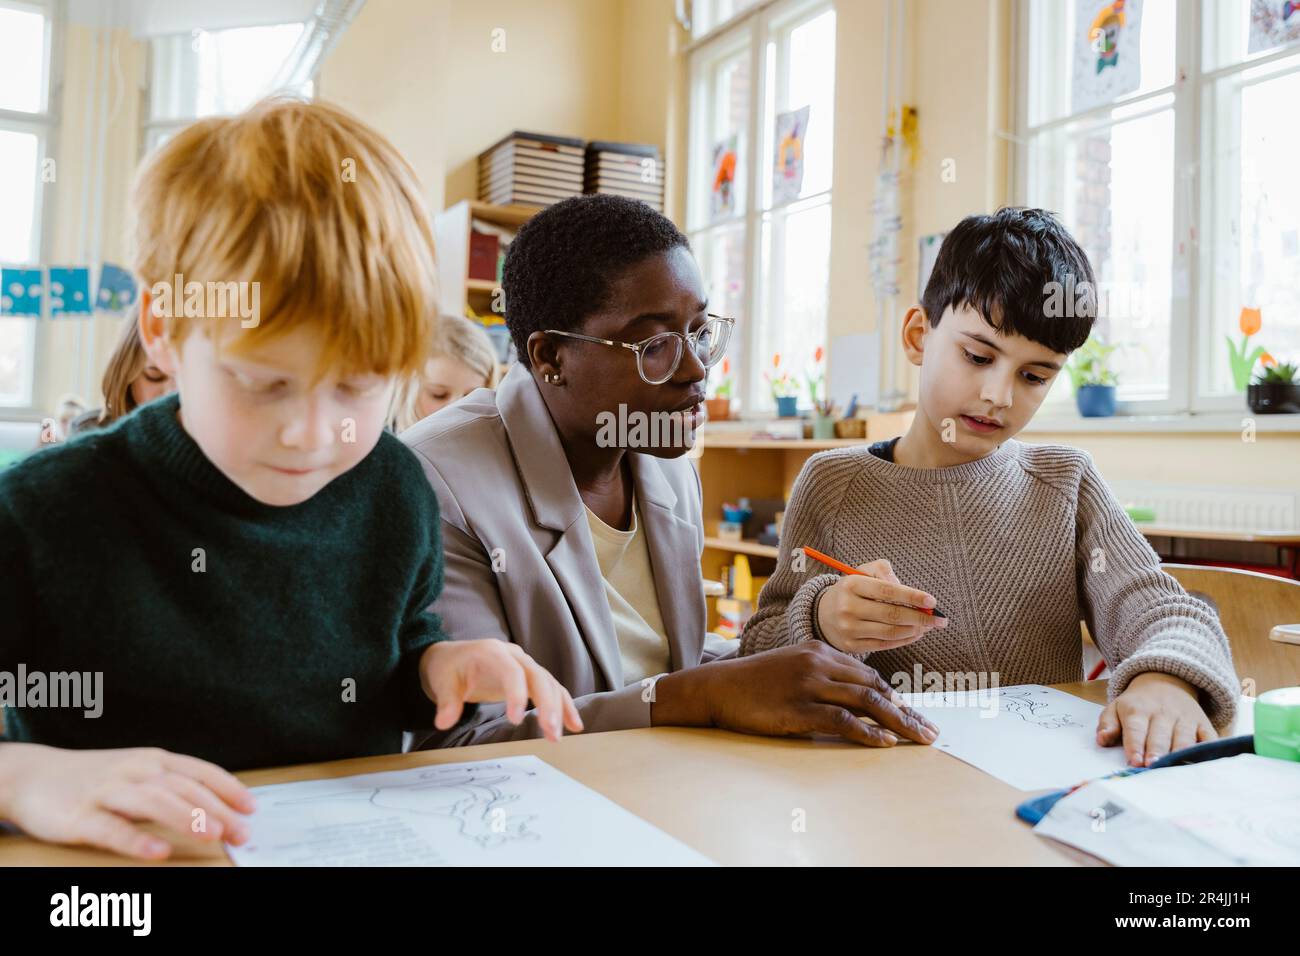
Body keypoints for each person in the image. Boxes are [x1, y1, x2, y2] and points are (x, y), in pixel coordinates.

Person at [0, 98, 579, 862]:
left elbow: (396, 663)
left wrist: (440, 666)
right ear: (163, 330)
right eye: (262, 383)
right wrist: (23, 779)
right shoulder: (43, 512)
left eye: (360, 386)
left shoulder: (395, 491)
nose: (312, 433)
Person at [402, 194, 939, 749]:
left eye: (701, 332)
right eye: (654, 344)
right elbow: (463, 743)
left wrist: (819, 630)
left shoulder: (664, 464)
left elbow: (654, 655)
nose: (694, 368)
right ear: (550, 358)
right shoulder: (436, 480)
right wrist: (700, 695)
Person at [740, 207, 1239, 768]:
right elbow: (757, 647)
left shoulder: (1064, 481)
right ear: (917, 336)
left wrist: (1164, 676)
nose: (999, 395)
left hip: (1033, 783)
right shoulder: (832, 483)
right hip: (877, 788)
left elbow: (1164, 611)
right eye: (977, 356)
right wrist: (822, 617)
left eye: (1034, 376)